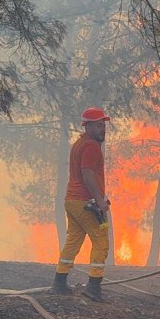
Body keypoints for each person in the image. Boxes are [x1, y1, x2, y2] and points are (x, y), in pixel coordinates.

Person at [50, 107, 111, 301]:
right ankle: (93, 287)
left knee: (73, 239)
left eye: (104, 125)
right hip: (85, 202)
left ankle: (59, 282)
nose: (103, 129)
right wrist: (100, 201)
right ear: (88, 126)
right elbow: (87, 173)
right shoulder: (91, 146)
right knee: (101, 241)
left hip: (72, 201)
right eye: (99, 125)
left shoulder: (79, 144)